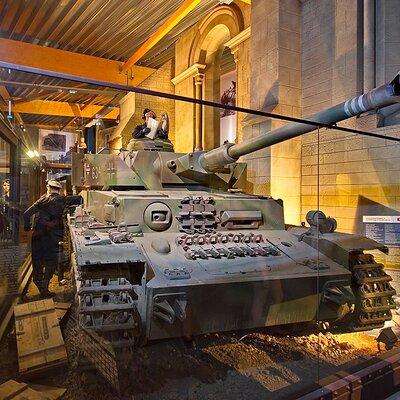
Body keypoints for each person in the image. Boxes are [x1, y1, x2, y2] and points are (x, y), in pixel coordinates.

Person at [23, 180, 83, 297]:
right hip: (53, 237)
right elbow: (80, 199)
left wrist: (27, 227)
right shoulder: (63, 200)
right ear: (59, 190)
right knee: (51, 262)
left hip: (39, 235)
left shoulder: (42, 200)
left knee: (38, 261)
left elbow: (26, 214)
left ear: (48, 188)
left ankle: (40, 287)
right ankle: (45, 289)